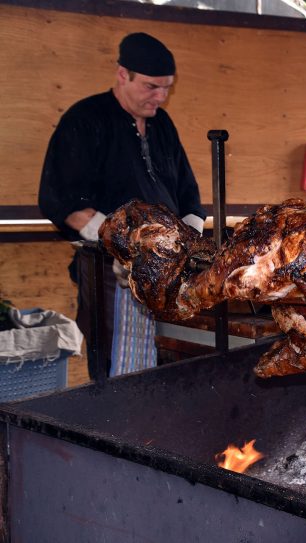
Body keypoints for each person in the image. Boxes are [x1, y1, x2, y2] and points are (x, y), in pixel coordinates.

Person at [38, 32, 206, 380]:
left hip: (169, 268)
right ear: (122, 74)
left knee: (170, 371)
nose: (160, 97)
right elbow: (62, 199)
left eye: (167, 88)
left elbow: (189, 193)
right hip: (109, 271)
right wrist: (125, 246)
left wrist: (190, 244)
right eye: (150, 87)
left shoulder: (163, 125)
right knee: (118, 377)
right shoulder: (85, 120)